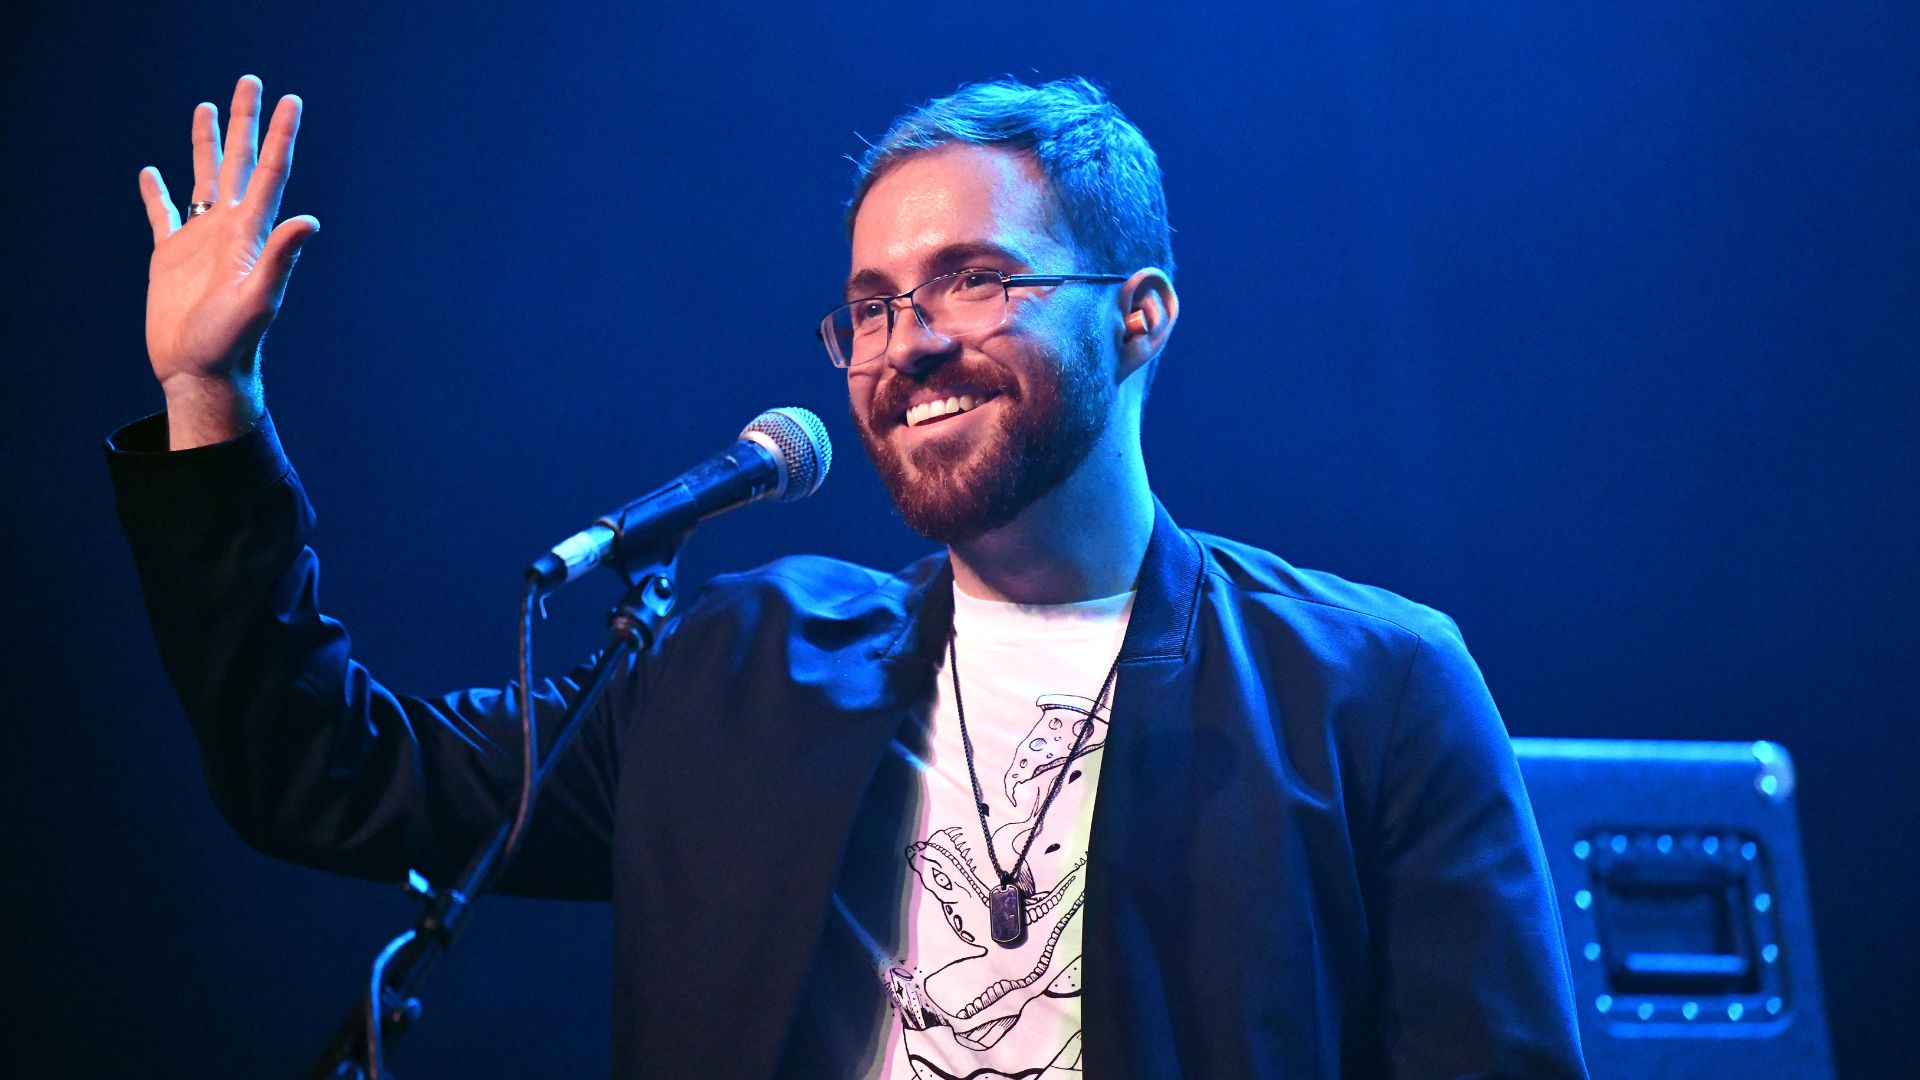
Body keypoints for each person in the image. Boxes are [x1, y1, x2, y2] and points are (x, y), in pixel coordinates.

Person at [112, 74, 1588, 1078]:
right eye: (872, 305)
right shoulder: (735, 673)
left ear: (1139, 317)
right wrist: (209, 397)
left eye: (976, 280)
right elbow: (320, 768)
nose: (906, 342)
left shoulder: (1371, 686)